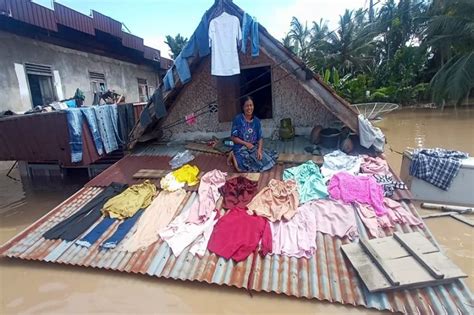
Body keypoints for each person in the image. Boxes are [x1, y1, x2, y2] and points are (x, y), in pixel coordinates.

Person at [229, 96, 278, 172]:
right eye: (247, 106)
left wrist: (259, 150)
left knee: (265, 161)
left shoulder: (256, 121)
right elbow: (233, 138)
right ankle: (233, 154)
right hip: (240, 147)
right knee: (241, 168)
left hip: (253, 148)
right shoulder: (238, 119)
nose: (249, 108)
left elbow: (260, 138)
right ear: (243, 107)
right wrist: (246, 143)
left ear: (253, 106)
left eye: (251, 105)